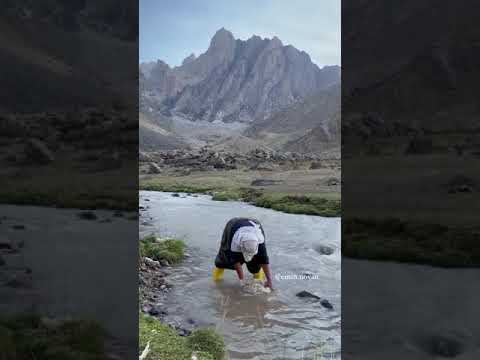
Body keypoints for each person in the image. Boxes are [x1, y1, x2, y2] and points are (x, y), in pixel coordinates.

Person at [213, 217, 273, 290]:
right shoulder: (234, 243)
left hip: (255, 224)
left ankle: (258, 279)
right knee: (224, 260)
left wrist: (269, 281)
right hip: (232, 225)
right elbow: (236, 262)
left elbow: (264, 261)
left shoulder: (260, 241)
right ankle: (216, 280)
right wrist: (242, 280)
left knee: (256, 263)